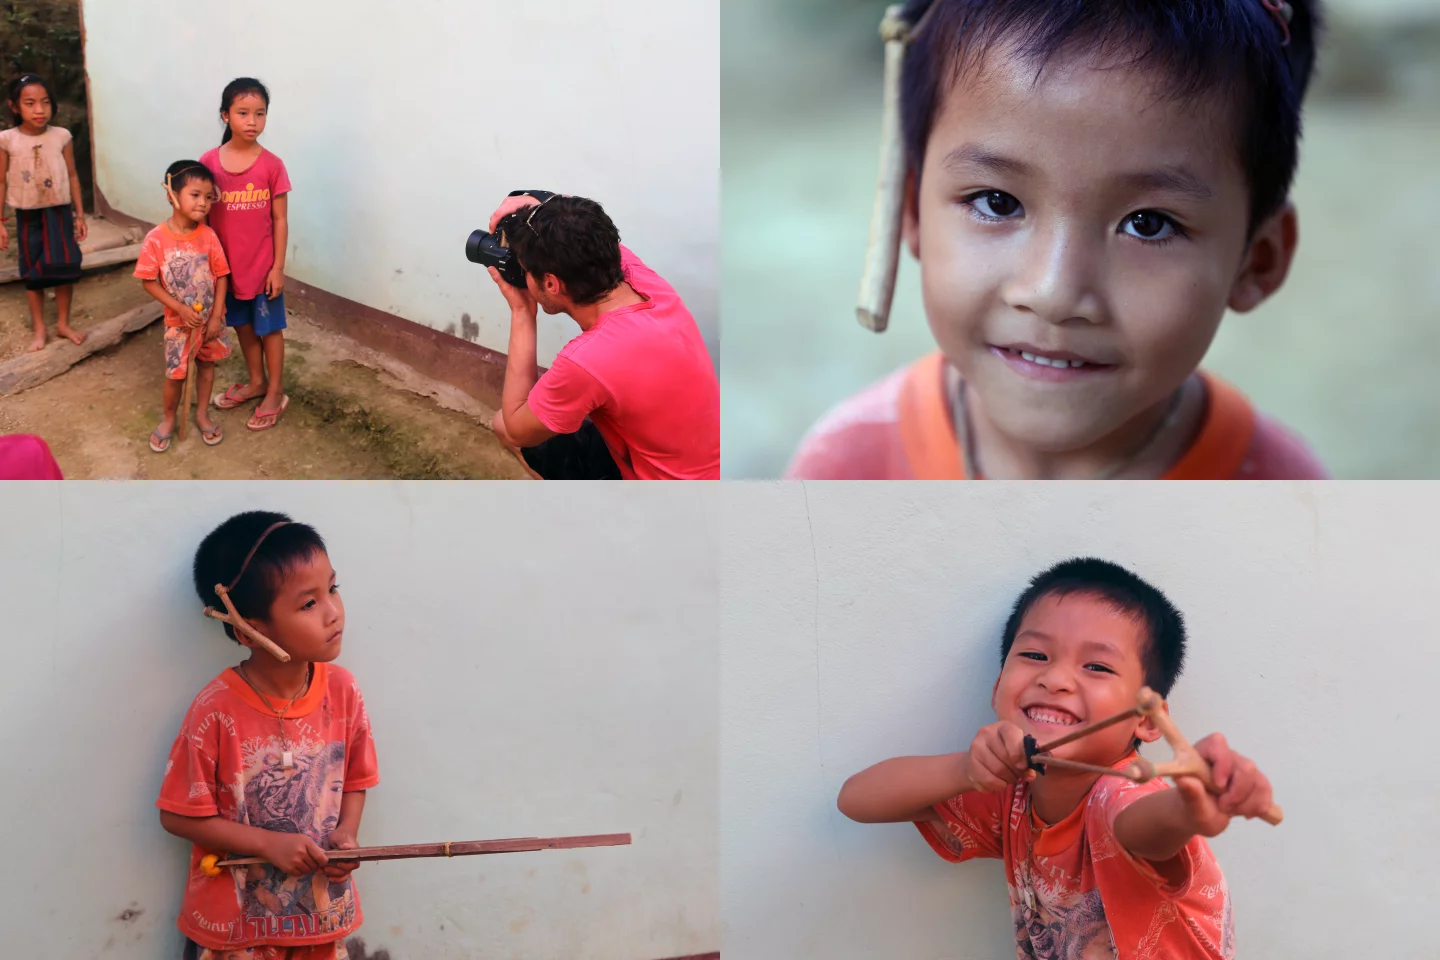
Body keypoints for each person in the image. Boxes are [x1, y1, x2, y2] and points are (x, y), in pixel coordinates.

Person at [788, 0, 1328, 479]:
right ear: (910, 213)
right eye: (996, 202)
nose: (1054, 292)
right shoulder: (843, 471)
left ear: (1257, 261)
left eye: (1148, 223)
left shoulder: (1284, 499)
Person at [837, 557, 1276, 958]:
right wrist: (965, 770)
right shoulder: (1010, 795)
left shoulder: (1121, 794)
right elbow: (856, 800)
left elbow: (1144, 827)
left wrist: (1188, 807)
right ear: (997, 688)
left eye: (1097, 667)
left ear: (1147, 720)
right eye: (1034, 655)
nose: (1055, 678)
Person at [158, 512, 379, 959]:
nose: (333, 612)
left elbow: (355, 779)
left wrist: (345, 836)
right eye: (308, 604)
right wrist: (266, 844)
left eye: (333, 588)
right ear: (251, 628)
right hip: (236, 933)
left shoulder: (343, 691)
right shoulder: (216, 709)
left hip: (320, 922)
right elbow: (178, 817)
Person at [485, 193, 720, 480]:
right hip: (711, 467)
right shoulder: (645, 282)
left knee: (503, 425)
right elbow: (578, 224)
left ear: (550, 283)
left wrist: (522, 312)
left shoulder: (586, 361)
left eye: (525, 271)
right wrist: (532, 204)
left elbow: (516, 430)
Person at [202, 78, 293, 433]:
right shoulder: (209, 163)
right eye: (243, 113)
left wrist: (278, 267)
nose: (252, 121)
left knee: (269, 329)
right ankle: (256, 381)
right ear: (225, 115)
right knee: (242, 325)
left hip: (262, 270)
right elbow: (201, 216)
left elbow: (280, 219)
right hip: (227, 271)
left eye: (260, 113)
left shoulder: (272, 165)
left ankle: (276, 392)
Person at [135, 161, 232, 453]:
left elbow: (222, 275)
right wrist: (179, 308)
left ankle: (202, 414)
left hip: (210, 322)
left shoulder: (208, 236)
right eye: (195, 195)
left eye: (208, 197)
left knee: (206, 366)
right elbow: (149, 282)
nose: (203, 203)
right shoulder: (156, 239)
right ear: (171, 195)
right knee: (175, 374)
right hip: (179, 325)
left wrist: (216, 316)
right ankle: (168, 419)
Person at [0, 73, 88, 352]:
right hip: (27, 213)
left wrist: (80, 215)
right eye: (30, 103)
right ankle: (39, 327)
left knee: (64, 265)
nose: (39, 110)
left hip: (59, 211)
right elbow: (1, 181)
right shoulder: (7, 140)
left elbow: (72, 175)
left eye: (45, 102)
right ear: (15, 106)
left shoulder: (61, 136)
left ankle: (62, 323)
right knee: (31, 270)